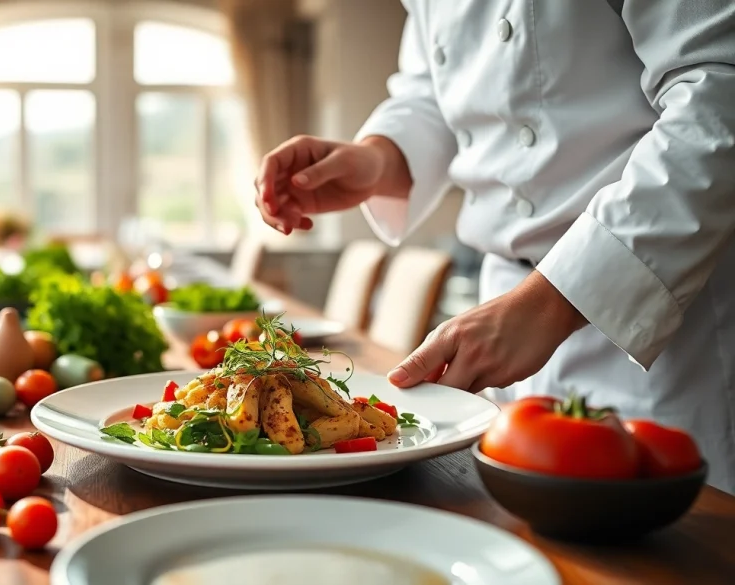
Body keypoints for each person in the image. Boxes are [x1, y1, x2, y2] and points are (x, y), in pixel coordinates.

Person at [253, 0, 735, 493]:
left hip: (658, 311)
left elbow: (719, 89)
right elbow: (434, 91)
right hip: (502, 308)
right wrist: (378, 158)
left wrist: (554, 300)